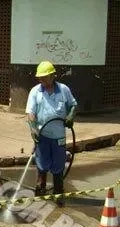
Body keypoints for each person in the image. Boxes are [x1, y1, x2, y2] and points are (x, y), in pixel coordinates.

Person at [25, 61, 77, 207]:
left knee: (58, 166)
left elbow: (73, 104)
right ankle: (40, 192)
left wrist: (71, 116)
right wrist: (33, 129)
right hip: (42, 135)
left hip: (59, 137)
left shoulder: (64, 90)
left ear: (52, 76)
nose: (41, 80)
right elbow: (30, 112)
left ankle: (58, 193)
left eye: (44, 77)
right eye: (39, 78)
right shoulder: (35, 91)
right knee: (42, 165)